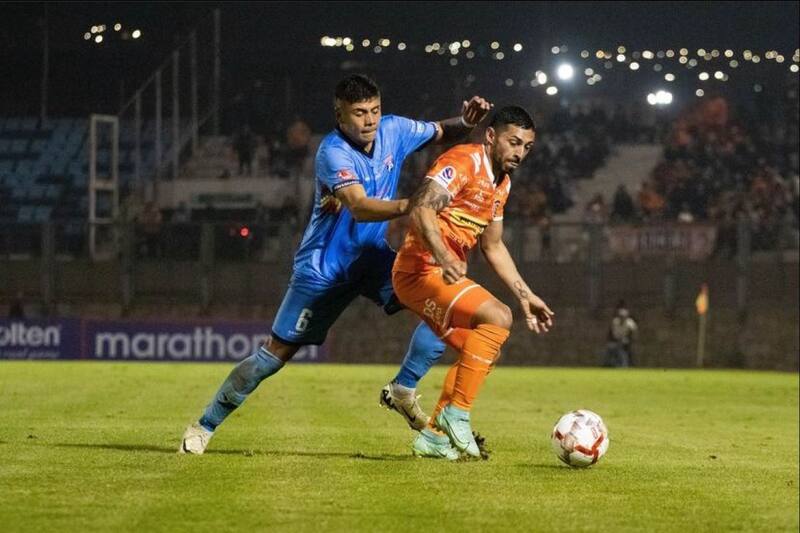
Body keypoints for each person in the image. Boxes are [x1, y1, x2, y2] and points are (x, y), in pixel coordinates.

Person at [179, 74, 492, 454]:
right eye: (359, 113)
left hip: (373, 260)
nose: (370, 120)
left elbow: (442, 131)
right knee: (272, 357)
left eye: (374, 110)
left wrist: (469, 122)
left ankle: (403, 389)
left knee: (445, 310)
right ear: (340, 115)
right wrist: (414, 205)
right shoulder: (332, 152)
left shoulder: (394, 129)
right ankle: (205, 424)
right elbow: (359, 207)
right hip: (323, 270)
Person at [391, 106, 554, 460]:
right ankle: (457, 414)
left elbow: (493, 245)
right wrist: (445, 255)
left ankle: (433, 436)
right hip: (418, 270)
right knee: (498, 317)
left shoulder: (502, 183)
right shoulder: (464, 161)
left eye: (527, 146)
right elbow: (421, 207)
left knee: (480, 351)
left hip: (439, 273)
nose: (520, 153)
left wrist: (527, 295)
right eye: (514, 142)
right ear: (492, 136)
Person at [604, 301, 638, 367]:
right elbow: (611, 333)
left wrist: (630, 340)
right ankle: (609, 364)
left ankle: (624, 365)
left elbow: (634, 332)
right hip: (615, 341)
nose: (622, 318)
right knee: (610, 349)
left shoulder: (630, 323)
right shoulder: (615, 322)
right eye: (620, 316)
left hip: (625, 342)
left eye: (623, 317)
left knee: (623, 351)